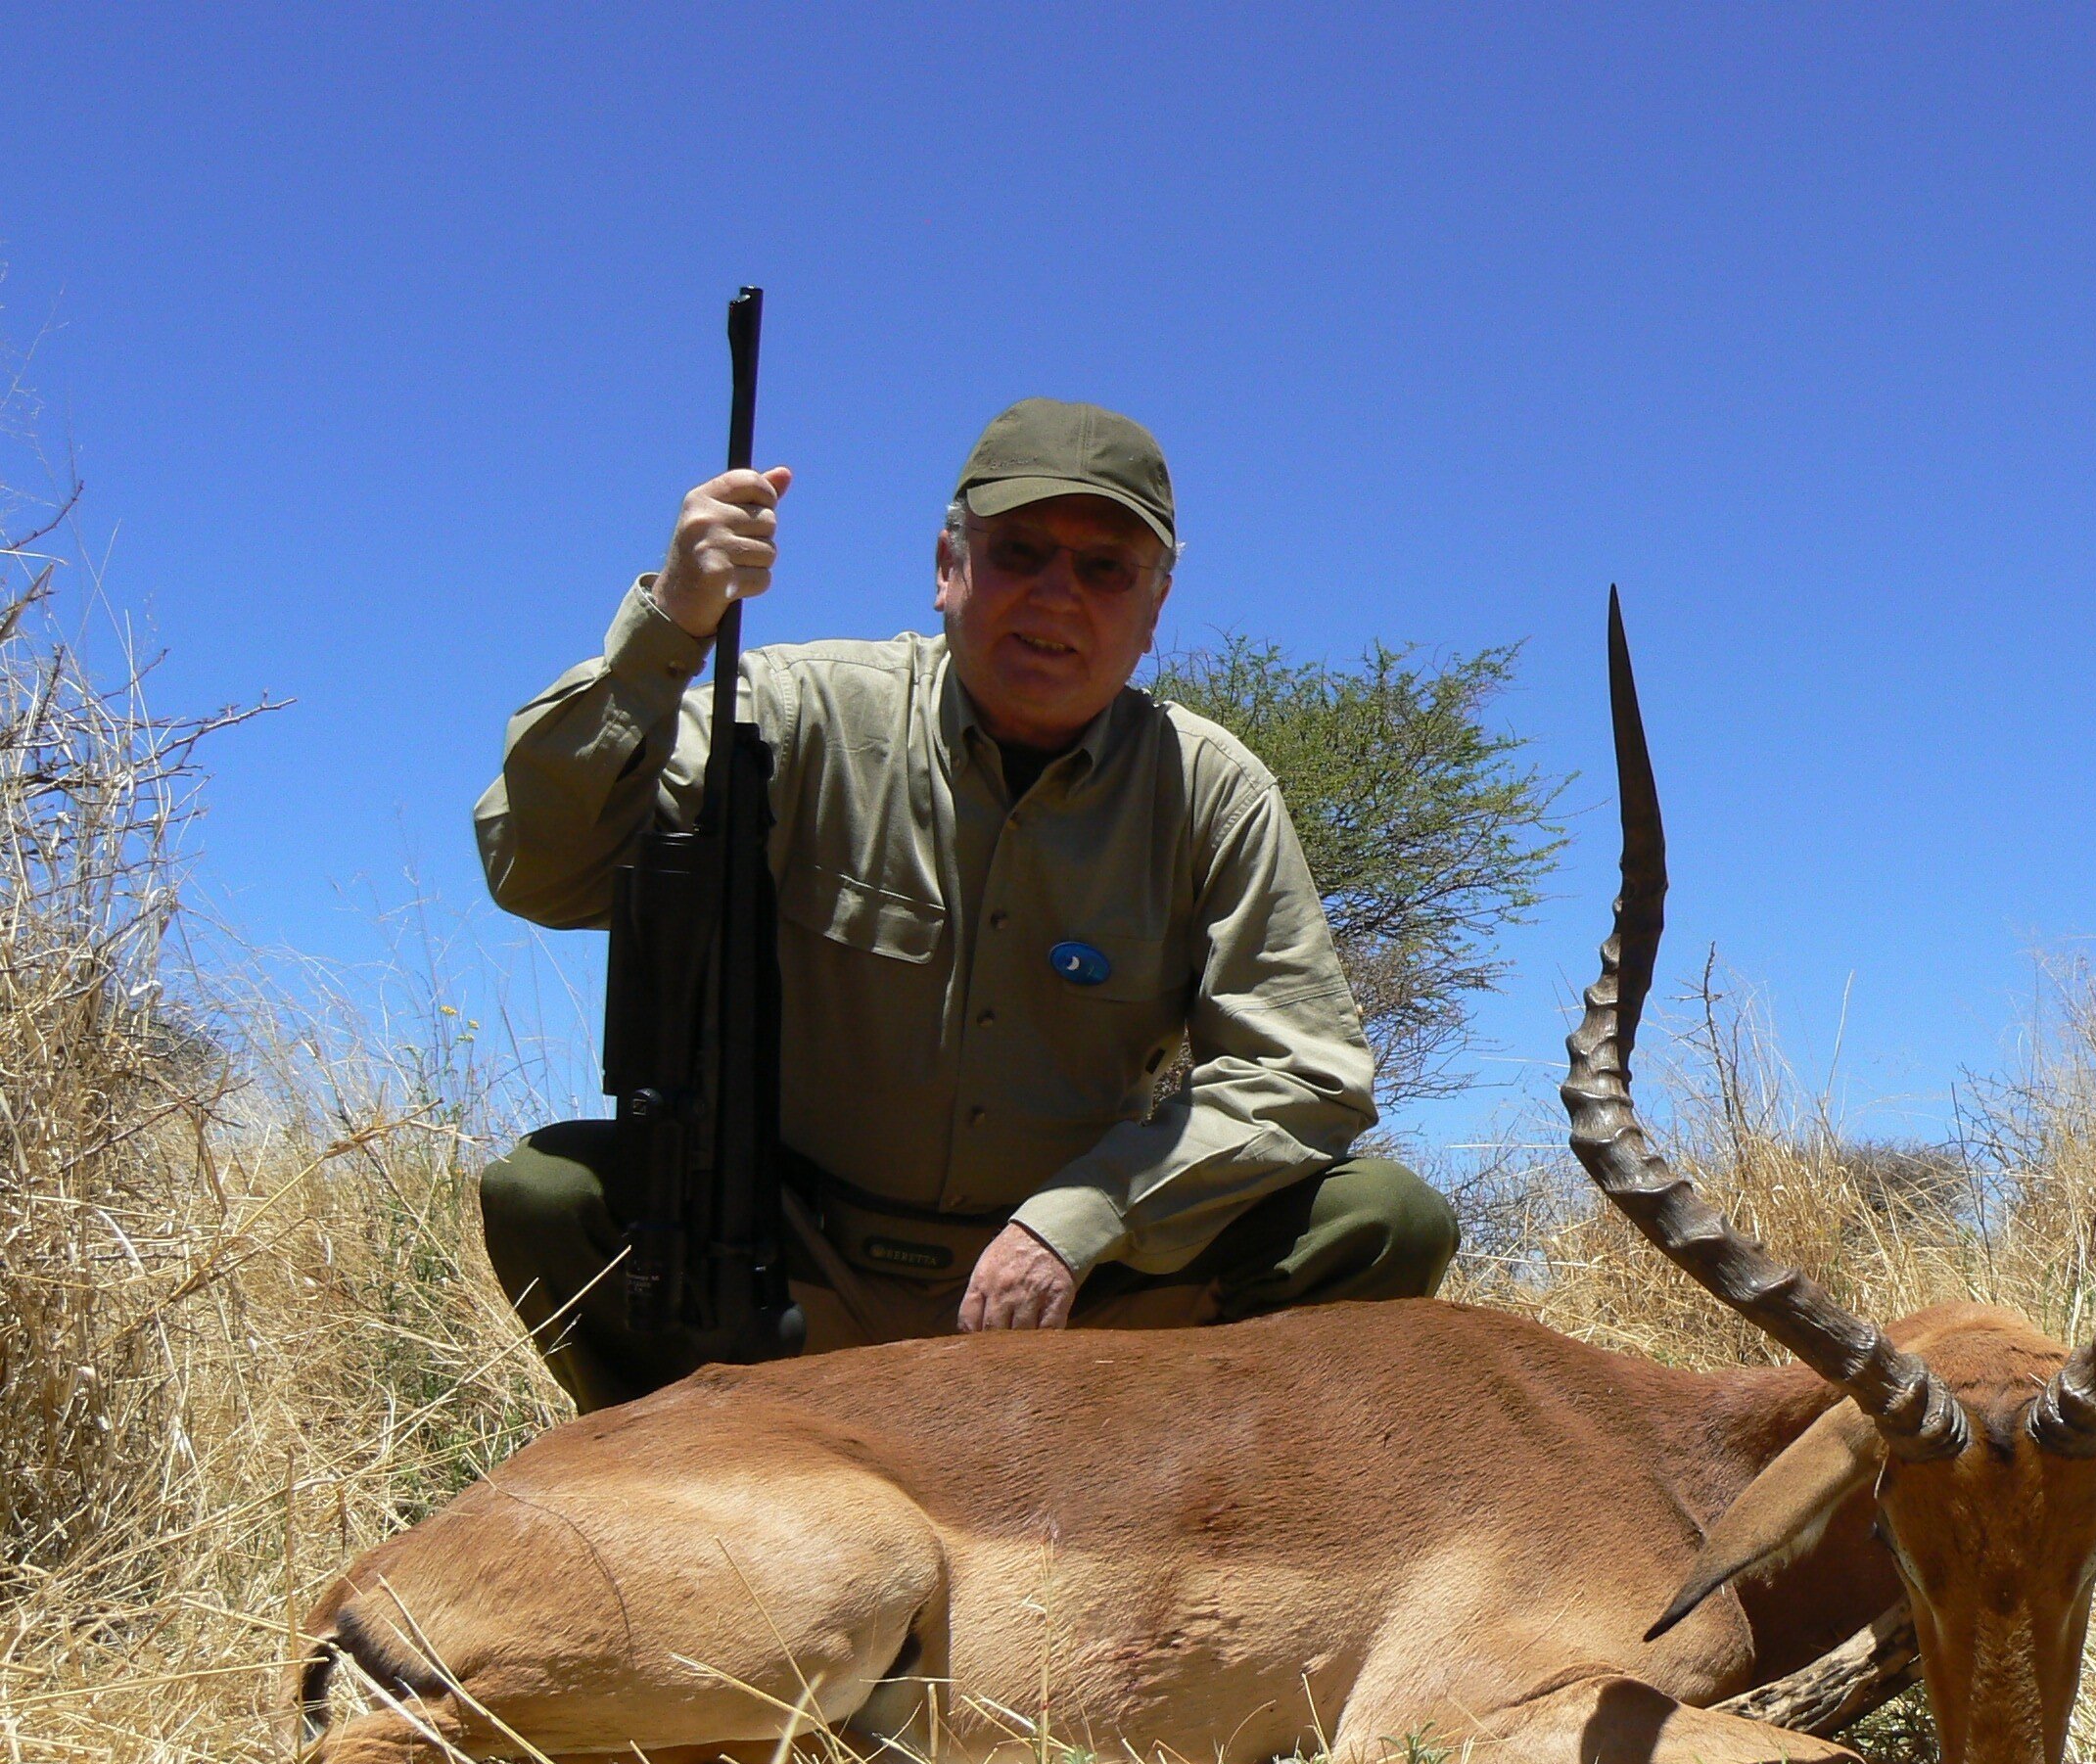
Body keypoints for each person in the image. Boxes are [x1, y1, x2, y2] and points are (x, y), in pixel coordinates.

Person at [472, 397, 1458, 1411]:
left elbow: (1306, 1071)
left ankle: (1177, 1517)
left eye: (1102, 568)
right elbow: (538, 868)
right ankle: (685, 1488)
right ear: (948, 565)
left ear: (1153, 608)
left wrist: (1078, 1219)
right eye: (1018, 552)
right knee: (548, 1195)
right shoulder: (791, 709)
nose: (1055, 595)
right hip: (787, 1271)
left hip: (1074, 1298)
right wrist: (670, 626)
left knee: (1382, 1220)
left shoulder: (1209, 788)